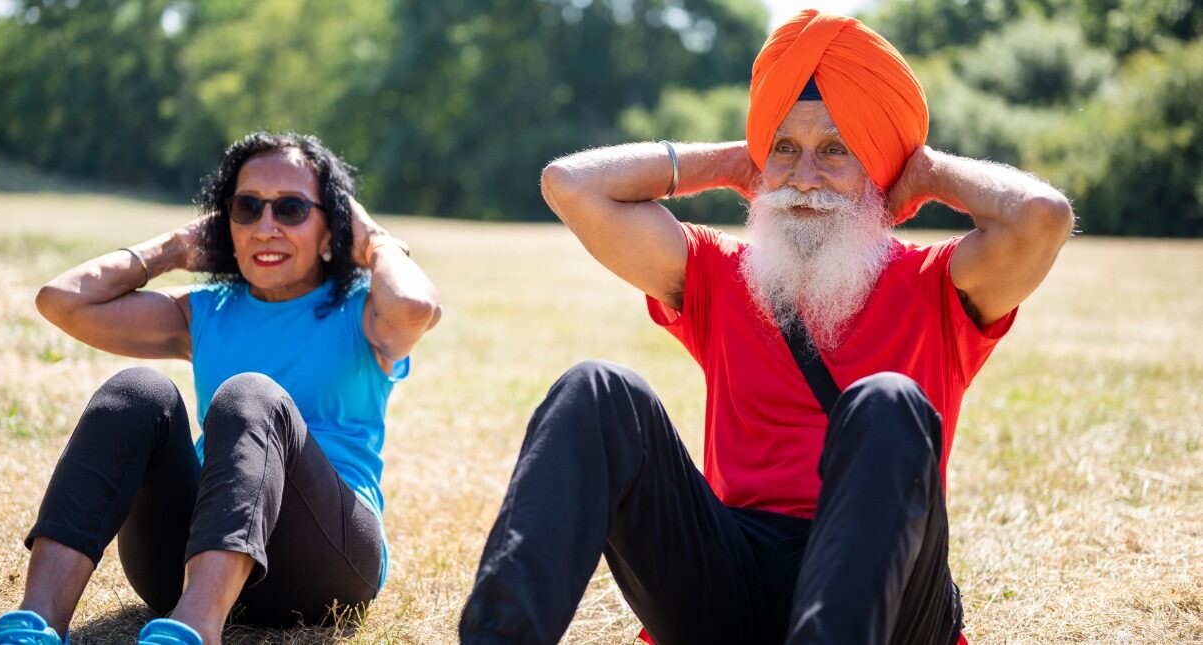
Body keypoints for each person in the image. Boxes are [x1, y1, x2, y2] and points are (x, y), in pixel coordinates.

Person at [459, 10, 1072, 645]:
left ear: (878, 166)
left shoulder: (937, 286)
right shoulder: (724, 275)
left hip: (886, 595)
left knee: (886, 401)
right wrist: (730, 161)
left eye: (835, 150)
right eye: (785, 148)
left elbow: (1042, 217)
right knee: (596, 390)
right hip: (735, 577)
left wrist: (924, 171)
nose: (804, 177)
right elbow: (570, 185)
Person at [0, 132, 441, 645]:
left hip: (326, 569)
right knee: (137, 391)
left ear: (330, 229)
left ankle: (195, 629)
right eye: (247, 209)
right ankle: (36, 623)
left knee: (251, 394)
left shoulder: (365, 311)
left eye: (291, 210)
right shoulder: (204, 311)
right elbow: (62, 301)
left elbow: (414, 308)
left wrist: (376, 241)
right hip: (182, 562)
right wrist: (175, 248)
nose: (265, 227)